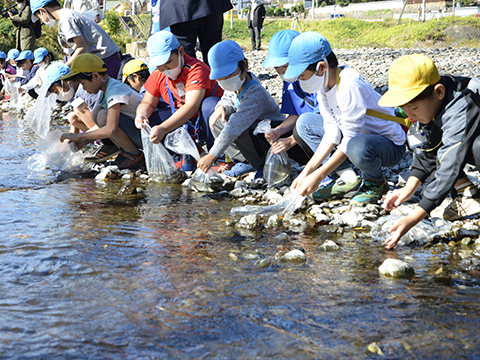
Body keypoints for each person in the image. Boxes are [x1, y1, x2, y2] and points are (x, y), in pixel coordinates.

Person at [285, 32, 406, 205]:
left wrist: (319, 176)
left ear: (321, 67)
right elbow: (331, 132)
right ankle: (347, 178)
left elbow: (350, 138)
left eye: (302, 75)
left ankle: (375, 183)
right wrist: (307, 172)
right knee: (305, 123)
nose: (300, 81)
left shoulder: (349, 85)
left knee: (356, 145)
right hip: (357, 138)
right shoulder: (323, 86)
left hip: (388, 145)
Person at [381, 54, 480, 249]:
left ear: (439, 92)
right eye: (404, 109)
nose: (410, 115)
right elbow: (426, 151)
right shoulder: (432, 107)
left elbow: (451, 159)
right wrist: (407, 190)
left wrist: (416, 215)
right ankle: (469, 195)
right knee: (438, 144)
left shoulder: (463, 100)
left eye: (414, 108)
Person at [135, 30, 223, 168]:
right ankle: (178, 154)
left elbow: (191, 106)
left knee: (209, 105)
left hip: (205, 119)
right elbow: (147, 102)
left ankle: (219, 157)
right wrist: (141, 115)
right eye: (160, 66)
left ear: (181, 52)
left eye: (169, 62)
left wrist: (163, 128)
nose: (165, 69)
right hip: (185, 122)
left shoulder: (196, 69)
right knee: (151, 120)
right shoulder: (159, 74)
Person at [196, 40, 284, 179]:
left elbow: (233, 128)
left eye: (229, 76)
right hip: (250, 131)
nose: (226, 81)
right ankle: (245, 161)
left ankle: (261, 163)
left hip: (270, 137)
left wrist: (211, 156)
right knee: (218, 119)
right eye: (221, 79)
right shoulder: (239, 83)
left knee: (233, 126)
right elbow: (227, 97)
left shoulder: (254, 93)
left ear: (245, 66)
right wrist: (221, 107)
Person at [59, 54, 145, 170]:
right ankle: (126, 151)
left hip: (146, 135)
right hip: (136, 132)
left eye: (83, 84)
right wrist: (83, 141)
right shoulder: (103, 91)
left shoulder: (114, 89)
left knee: (103, 116)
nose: (83, 89)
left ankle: (134, 155)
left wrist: (79, 136)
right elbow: (103, 127)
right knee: (97, 114)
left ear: (95, 76)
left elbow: (111, 129)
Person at [262, 29, 318, 166]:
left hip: (324, 132)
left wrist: (292, 140)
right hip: (303, 129)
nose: (282, 72)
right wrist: (278, 131)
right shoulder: (289, 80)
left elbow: (324, 119)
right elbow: (295, 115)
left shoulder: (317, 78)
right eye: (277, 67)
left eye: (286, 66)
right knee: (264, 134)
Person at [30, 0, 121, 78]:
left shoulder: (66, 20)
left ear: (43, 11)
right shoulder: (68, 13)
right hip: (106, 57)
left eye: (40, 17)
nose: (42, 21)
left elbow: (82, 47)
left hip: (105, 59)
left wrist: (65, 67)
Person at [159, 0, 232, 66]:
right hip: (210, 5)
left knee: (186, 58)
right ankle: (213, 79)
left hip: (178, 7)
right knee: (213, 54)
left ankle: (195, 79)